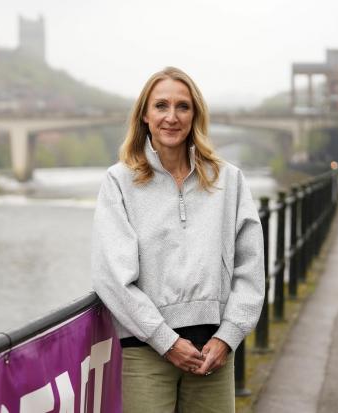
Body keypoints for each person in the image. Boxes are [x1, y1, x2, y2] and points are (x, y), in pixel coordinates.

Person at [91, 66, 264, 412]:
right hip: (146, 352)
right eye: (161, 106)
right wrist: (166, 340)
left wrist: (228, 336)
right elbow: (112, 277)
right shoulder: (119, 182)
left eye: (182, 107)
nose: (172, 117)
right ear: (144, 114)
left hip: (215, 351)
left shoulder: (229, 180)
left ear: (195, 114)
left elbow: (251, 268)